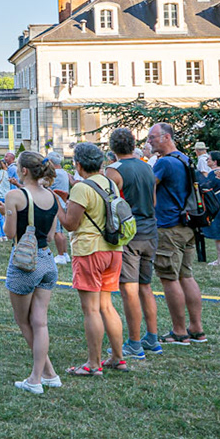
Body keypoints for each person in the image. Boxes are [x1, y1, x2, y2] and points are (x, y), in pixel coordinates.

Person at [58, 142, 127, 377]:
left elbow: (70, 223)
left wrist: (57, 204)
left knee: (91, 310)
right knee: (107, 306)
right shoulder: (110, 183)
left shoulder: (81, 188)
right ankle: (118, 357)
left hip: (89, 250)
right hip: (113, 249)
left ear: (78, 164)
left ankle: (93, 364)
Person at [3, 151, 63, 394]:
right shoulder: (52, 196)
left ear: (23, 170)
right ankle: (46, 374)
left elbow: (9, 234)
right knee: (40, 322)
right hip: (47, 260)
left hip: (25, 263)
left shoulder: (14, 195)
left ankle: (38, 378)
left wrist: (5, 213)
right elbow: (49, 235)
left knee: (24, 321)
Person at [147, 123, 208, 345]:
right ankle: (197, 328)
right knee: (186, 275)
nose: (149, 141)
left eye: (152, 137)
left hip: (168, 227)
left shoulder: (164, 163)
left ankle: (179, 331)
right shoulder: (185, 159)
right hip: (187, 224)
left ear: (166, 137)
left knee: (169, 278)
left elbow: (148, 185)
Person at [107, 128, 162, 362]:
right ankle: (152, 337)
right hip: (151, 230)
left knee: (129, 288)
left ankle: (135, 343)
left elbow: (107, 203)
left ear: (113, 148)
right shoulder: (147, 166)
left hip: (130, 233)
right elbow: (154, 200)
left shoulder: (114, 170)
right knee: (145, 286)